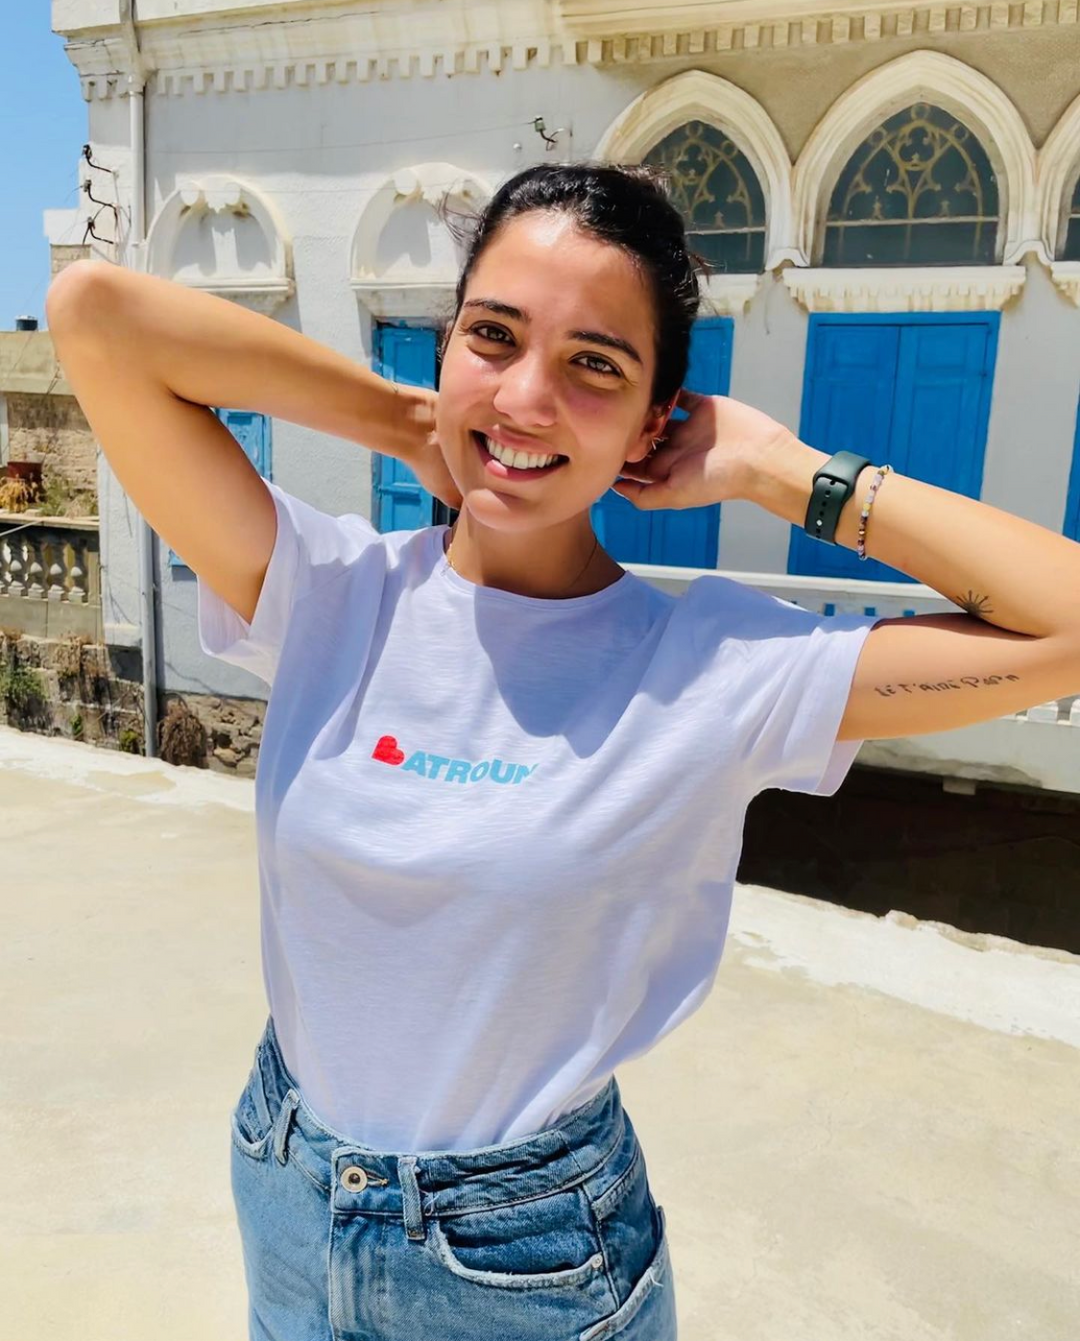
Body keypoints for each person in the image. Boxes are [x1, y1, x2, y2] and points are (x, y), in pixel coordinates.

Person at [46, 162, 1080, 1341]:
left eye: (596, 364)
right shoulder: (328, 591)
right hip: (288, 1180)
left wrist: (779, 470)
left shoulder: (713, 667)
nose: (530, 397)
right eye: (493, 335)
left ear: (658, 423)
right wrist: (418, 421)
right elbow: (97, 317)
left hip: (525, 1258)